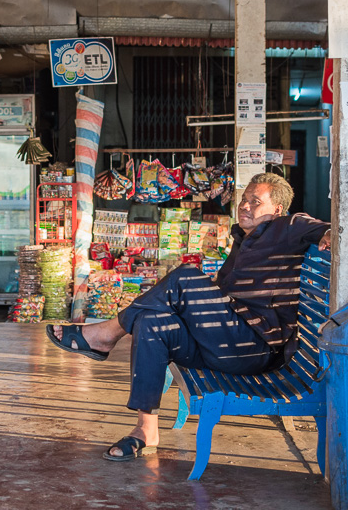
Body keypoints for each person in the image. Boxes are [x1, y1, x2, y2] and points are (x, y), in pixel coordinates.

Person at [47, 172, 331, 461]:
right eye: (244, 199)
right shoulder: (243, 238)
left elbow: (322, 228)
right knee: (151, 323)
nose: (244, 206)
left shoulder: (287, 226)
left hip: (253, 348)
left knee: (185, 276)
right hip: (225, 340)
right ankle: (146, 430)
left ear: (277, 210)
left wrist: (328, 235)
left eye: (255, 202)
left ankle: (105, 334)